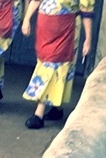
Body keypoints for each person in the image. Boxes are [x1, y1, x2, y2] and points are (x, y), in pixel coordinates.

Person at [20, 0, 93, 129]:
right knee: (46, 62)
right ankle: (56, 107)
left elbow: (86, 10)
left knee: (55, 65)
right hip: (46, 25)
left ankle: (39, 113)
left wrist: (88, 38)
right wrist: (27, 18)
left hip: (66, 27)